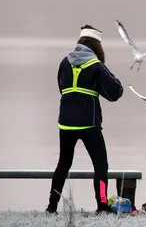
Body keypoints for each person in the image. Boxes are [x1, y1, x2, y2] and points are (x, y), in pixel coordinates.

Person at [46, 25, 124, 215]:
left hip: (65, 122)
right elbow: (115, 92)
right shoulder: (95, 65)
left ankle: (52, 206)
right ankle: (102, 205)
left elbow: (61, 87)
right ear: (97, 46)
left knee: (63, 163)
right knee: (100, 164)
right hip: (89, 123)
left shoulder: (65, 62)